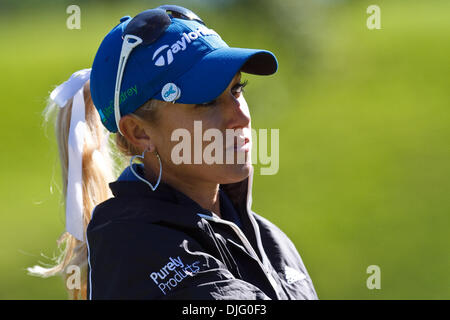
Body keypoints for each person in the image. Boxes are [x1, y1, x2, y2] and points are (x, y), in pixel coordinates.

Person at [29, 5, 318, 300]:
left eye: (236, 89)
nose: (240, 117)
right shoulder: (137, 251)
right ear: (139, 133)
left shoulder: (271, 241)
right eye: (206, 102)